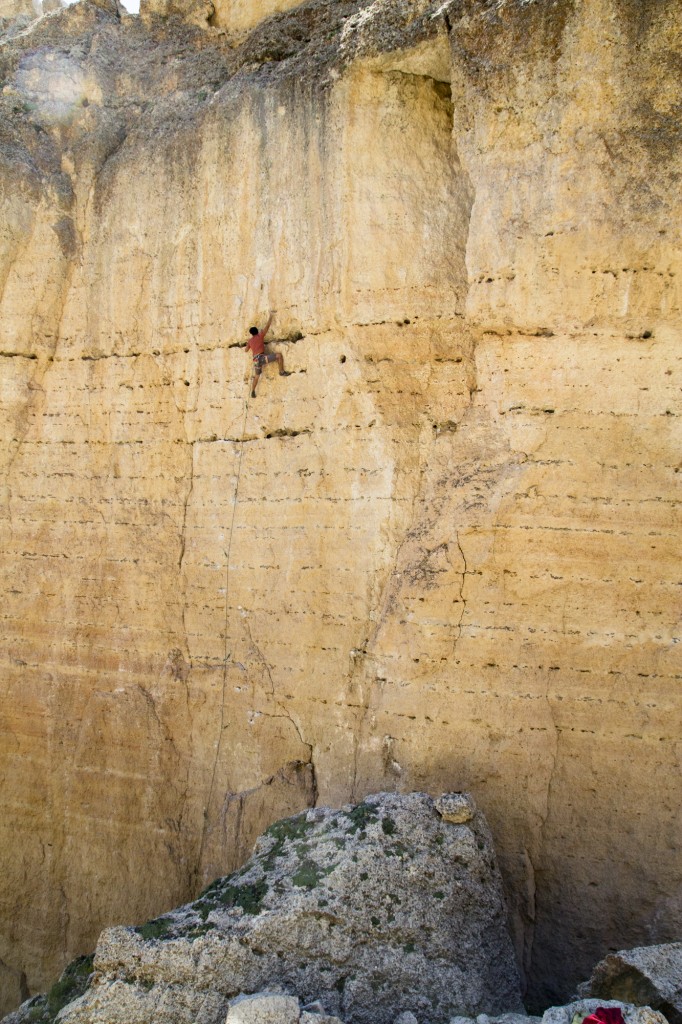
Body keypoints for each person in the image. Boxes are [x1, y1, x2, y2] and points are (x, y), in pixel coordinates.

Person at [246, 311, 290, 398]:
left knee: (257, 376)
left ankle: (253, 391)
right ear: (257, 331)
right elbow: (267, 326)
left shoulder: (250, 341)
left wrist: (249, 343)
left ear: (251, 333)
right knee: (279, 356)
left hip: (255, 360)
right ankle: (281, 372)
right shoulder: (260, 335)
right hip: (261, 358)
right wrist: (271, 316)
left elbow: (246, 350)